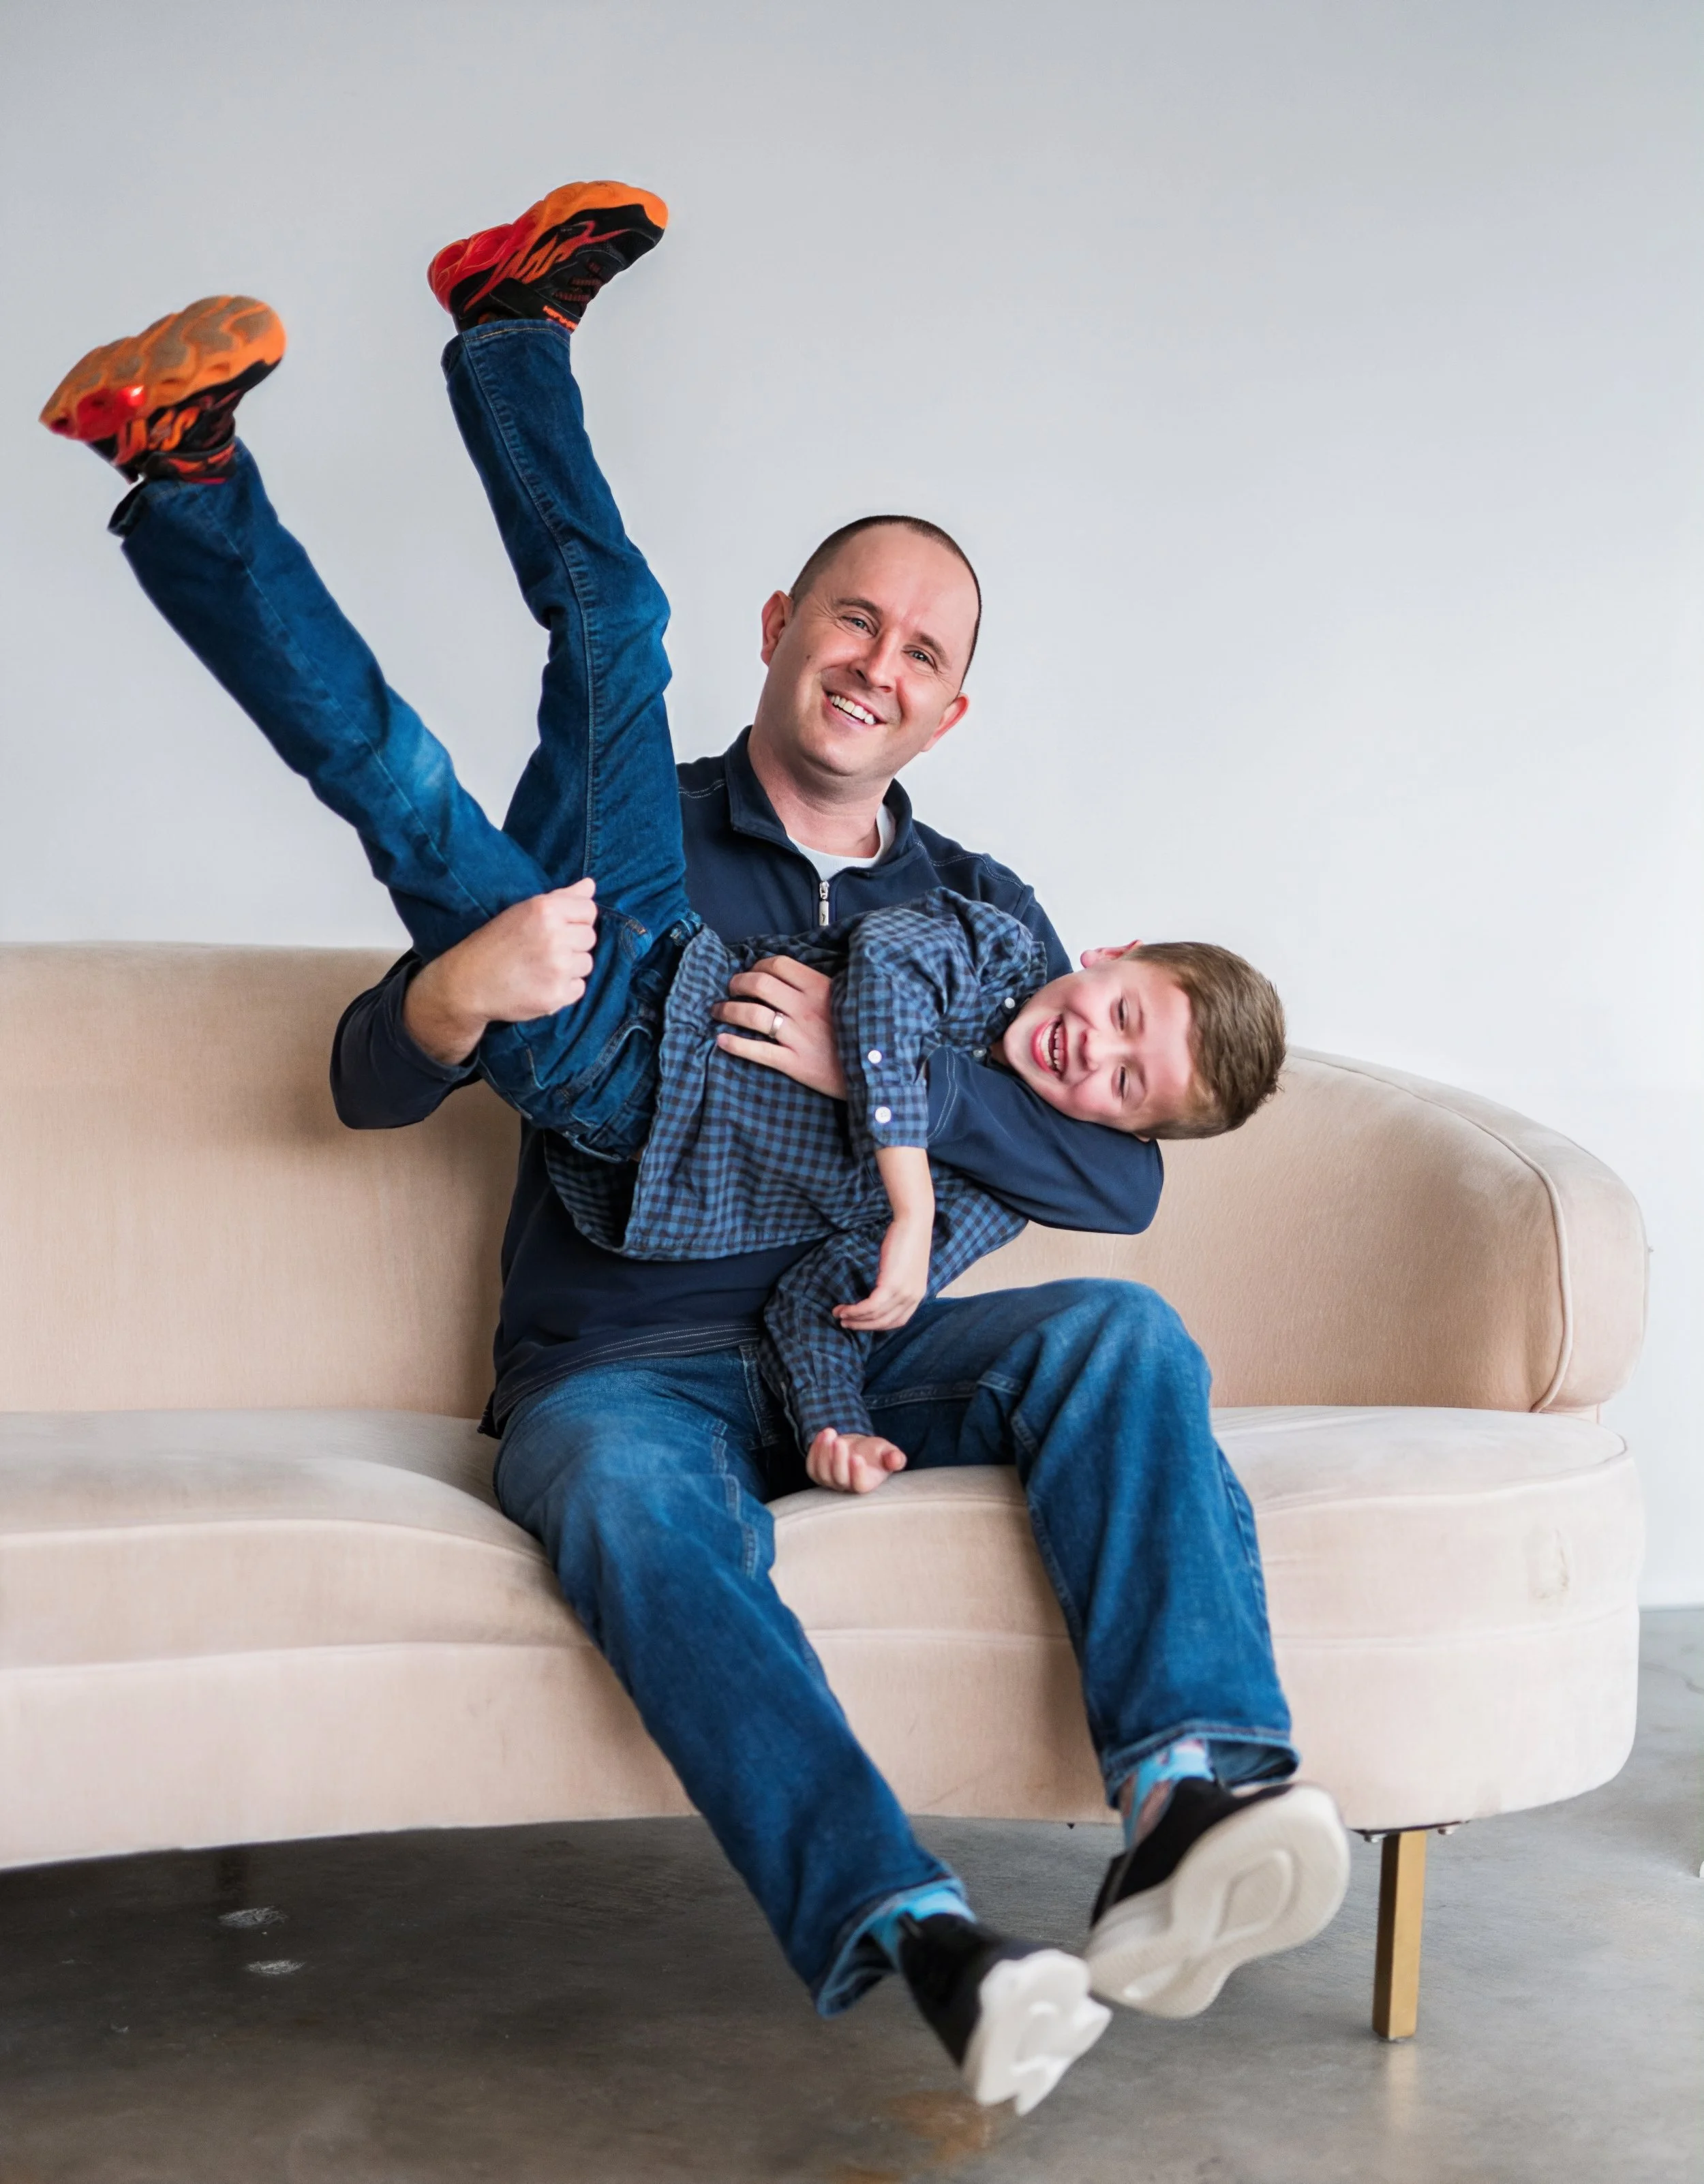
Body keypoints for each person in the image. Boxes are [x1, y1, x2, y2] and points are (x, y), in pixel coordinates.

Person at [42, 181, 1350, 2117]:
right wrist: (454, 995)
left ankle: (1192, 1799)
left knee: (1124, 1341)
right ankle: (920, 1931)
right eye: (853, 618)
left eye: (920, 651)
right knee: (517, 698)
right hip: (621, 1367)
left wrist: (860, 1068)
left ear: (951, 706)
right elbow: (359, 1081)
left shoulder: (978, 914)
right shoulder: (638, 815)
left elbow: (1115, 1181)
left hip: (846, 1346)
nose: (878, 665)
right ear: (791, 626)